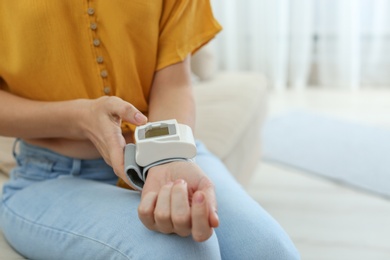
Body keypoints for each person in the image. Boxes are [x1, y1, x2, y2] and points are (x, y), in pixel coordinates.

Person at [0, 1, 300, 259]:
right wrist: (80, 117)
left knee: (271, 252)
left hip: (165, 153)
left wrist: (168, 157)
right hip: (50, 177)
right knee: (182, 253)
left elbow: (175, 81)